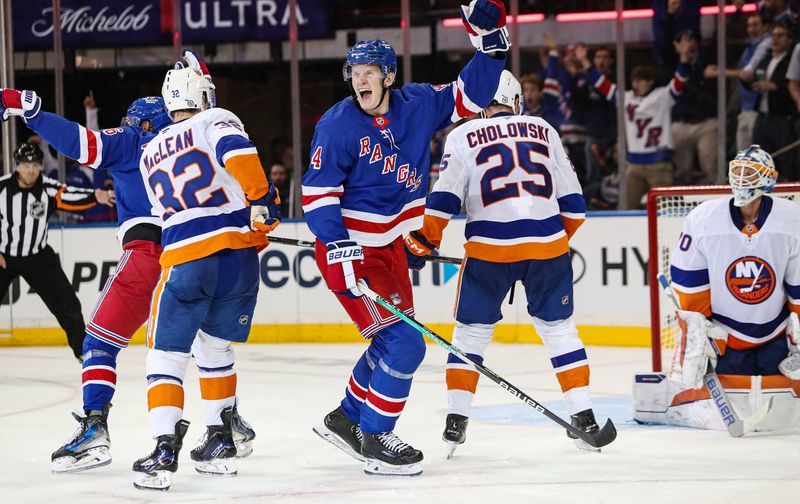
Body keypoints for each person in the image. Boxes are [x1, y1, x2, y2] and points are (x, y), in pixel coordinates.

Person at [1, 53, 256, 475]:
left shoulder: (138, 139)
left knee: (99, 342)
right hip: (204, 252)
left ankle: (96, 427)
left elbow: (82, 143)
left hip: (149, 256)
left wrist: (30, 109)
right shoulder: (200, 138)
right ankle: (225, 423)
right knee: (207, 346)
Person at [302, 0, 509, 476]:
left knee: (389, 341)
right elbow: (316, 197)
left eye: (370, 71)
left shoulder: (418, 103)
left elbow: (471, 94)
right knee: (405, 345)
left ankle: (346, 418)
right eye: (354, 72)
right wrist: (339, 245)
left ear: (389, 77)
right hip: (350, 253)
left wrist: (493, 44)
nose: (361, 80)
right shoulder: (335, 126)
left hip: (390, 247)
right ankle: (375, 436)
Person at [404, 71, 609, 457]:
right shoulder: (543, 127)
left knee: (470, 335)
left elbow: (444, 200)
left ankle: (455, 421)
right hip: (547, 248)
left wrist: (425, 240)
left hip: (488, 253)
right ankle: (584, 417)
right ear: (517, 102)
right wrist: (548, 244)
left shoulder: (462, 135)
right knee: (560, 331)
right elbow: (576, 208)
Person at [131, 65, 280, 491]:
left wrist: (252, 208)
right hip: (239, 263)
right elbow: (240, 158)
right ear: (201, 94)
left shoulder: (148, 152)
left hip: (187, 259)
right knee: (215, 348)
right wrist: (260, 203)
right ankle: (219, 443)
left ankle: (163, 449)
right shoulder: (216, 118)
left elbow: (172, 213)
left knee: (165, 357)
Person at [634, 146, 800, 430]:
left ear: (769, 179)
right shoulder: (703, 219)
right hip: (725, 338)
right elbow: (690, 285)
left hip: (775, 335)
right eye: (739, 171)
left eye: (751, 173)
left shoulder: (792, 220)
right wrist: (699, 336)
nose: (743, 179)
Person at [0, 142, 113, 360]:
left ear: (41, 166)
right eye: (25, 165)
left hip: (38, 257)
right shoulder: (2, 189)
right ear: (17, 166)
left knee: (68, 305)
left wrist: (95, 196)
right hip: (5, 257)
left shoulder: (47, 188)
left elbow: (70, 195)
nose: (30, 170)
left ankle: (83, 354)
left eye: (35, 165)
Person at [583, 40, 692, 208]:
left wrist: (684, 58)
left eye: (641, 80)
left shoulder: (662, 96)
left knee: (666, 209)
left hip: (660, 163)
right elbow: (602, 85)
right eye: (634, 80)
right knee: (626, 208)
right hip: (633, 165)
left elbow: (679, 81)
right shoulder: (626, 98)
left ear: (650, 81)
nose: (636, 84)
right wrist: (585, 62)